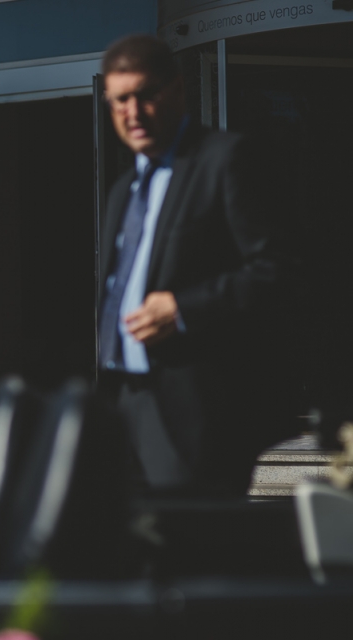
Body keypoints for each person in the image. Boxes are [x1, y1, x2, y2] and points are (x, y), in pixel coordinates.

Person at [96, 35, 293, 495]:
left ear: (178, 91)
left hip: (198, 408)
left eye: (147, 94)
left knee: (194, 549)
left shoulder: (226, 160)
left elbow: (279, 267)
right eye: (121, 99)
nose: (133, 111)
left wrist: (183, 309)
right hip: (126, 401)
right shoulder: (124, 188)